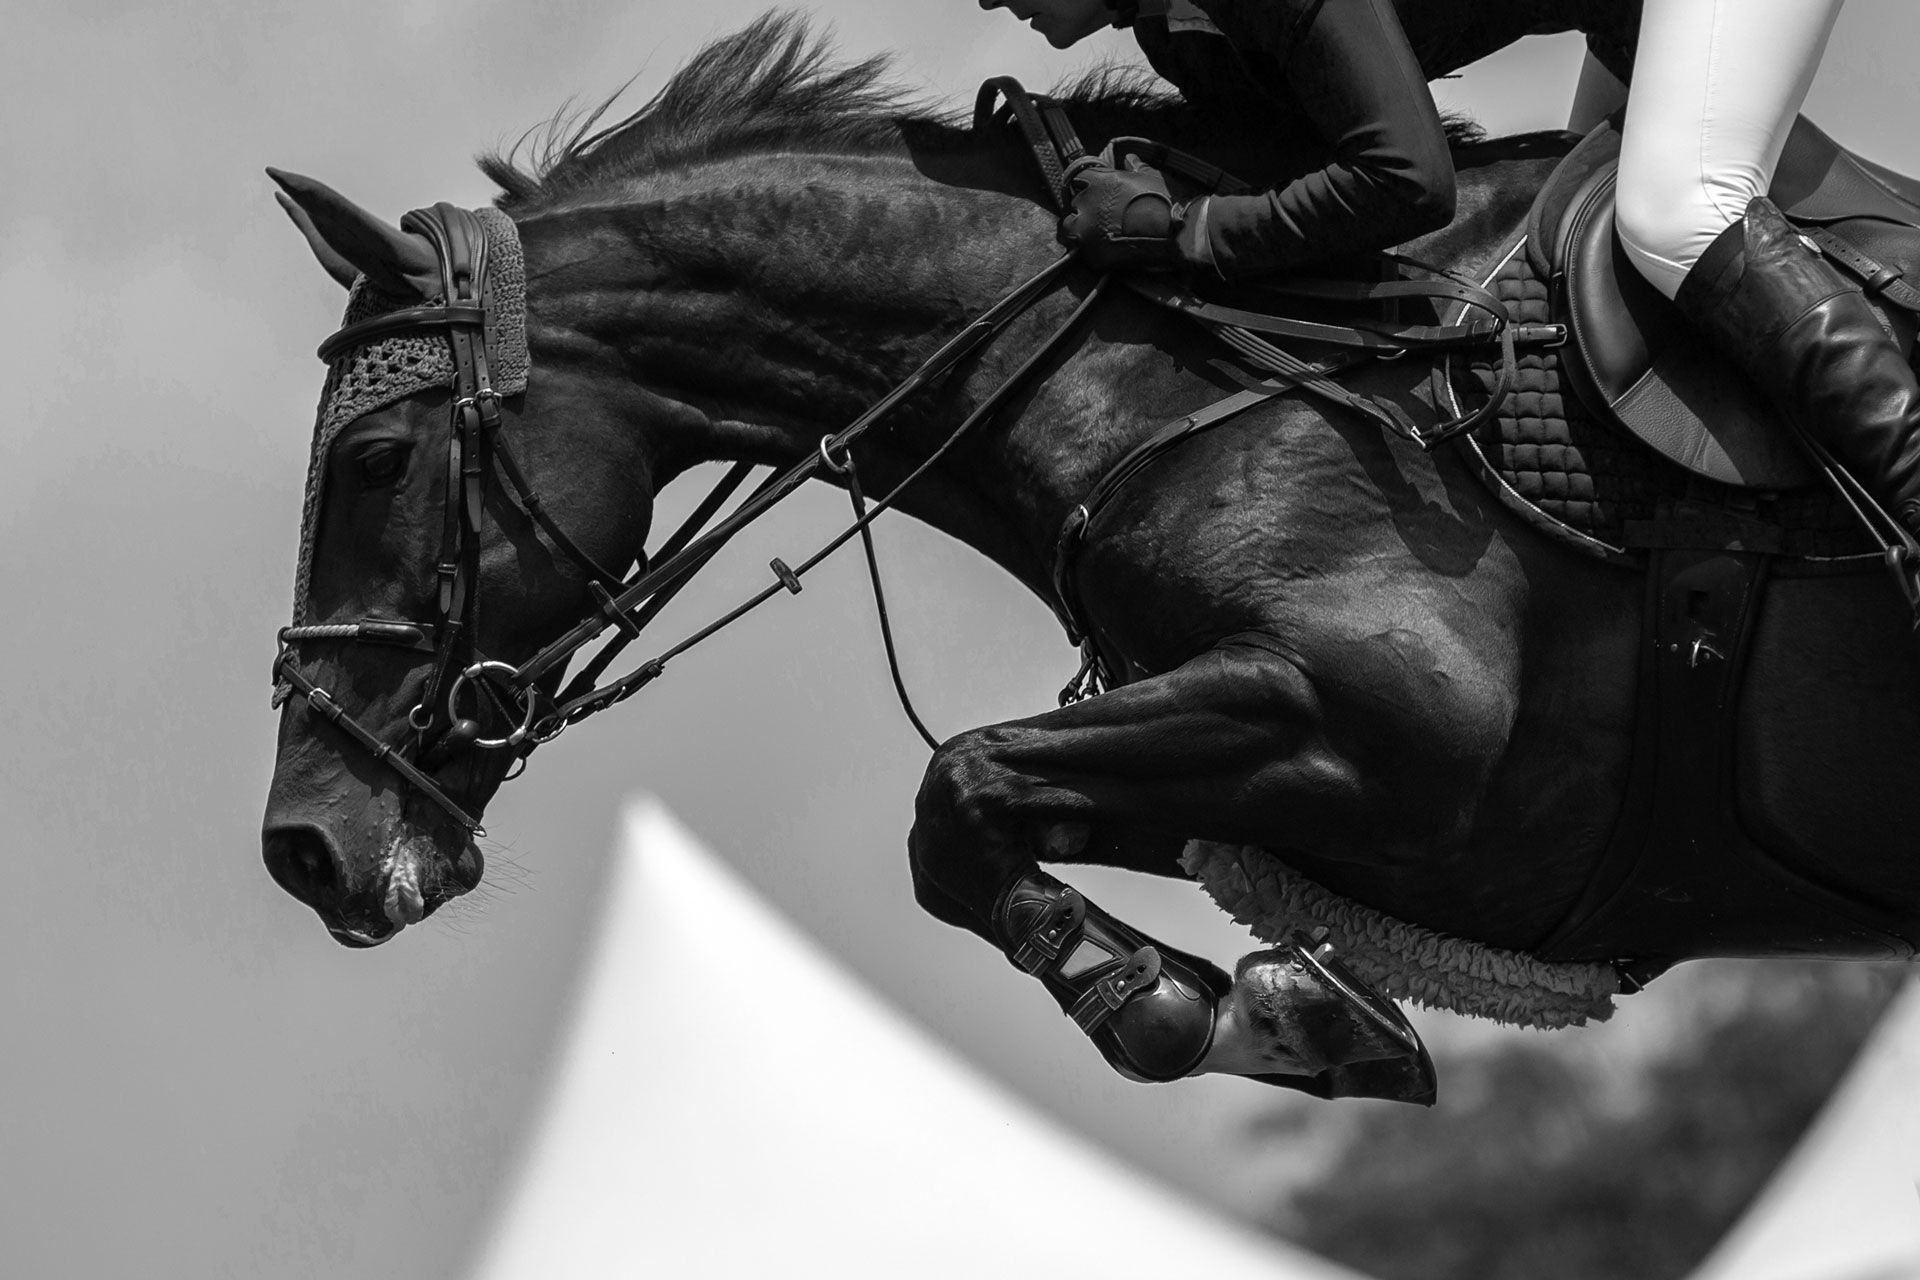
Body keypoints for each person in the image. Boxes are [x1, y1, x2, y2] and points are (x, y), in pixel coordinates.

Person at [979, 0, 1920, 555]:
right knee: (1571, 215)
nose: (984, 3)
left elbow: (1405, 179)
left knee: (1676, 213)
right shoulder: (1176, 27)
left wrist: (1186, 232)